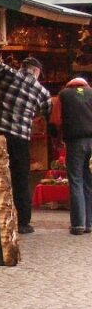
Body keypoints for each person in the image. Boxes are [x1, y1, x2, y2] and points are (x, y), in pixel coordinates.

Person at [0, 48, 52, 234]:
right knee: (20, 178)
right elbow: (46, 112)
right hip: (20, 137)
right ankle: (23, 222)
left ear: (22, 66)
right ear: (36, 71)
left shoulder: (6, 73)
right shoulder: (42, 92)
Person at [51, 75, 92, 234]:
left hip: (75, 143)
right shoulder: (91, 92)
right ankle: (89, 223)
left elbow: (55, 121)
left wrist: (56, 140)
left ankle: (78, 225)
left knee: (76, 181)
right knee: (89, 181)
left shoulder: (63, 95)